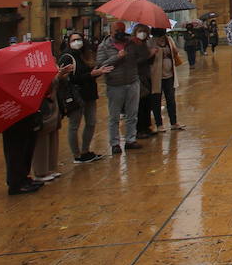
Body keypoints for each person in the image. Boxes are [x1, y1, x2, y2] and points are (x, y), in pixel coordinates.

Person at [97, 21, 152, 155]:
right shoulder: (104, 46)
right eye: (117, 31)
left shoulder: (131, 43)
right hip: (115, 85)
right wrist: (117, 57)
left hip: (133, 81)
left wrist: (141, 44)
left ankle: (130, 140)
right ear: (111, 32)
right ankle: (115, 143)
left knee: (132, 114)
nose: (120, 33)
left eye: (122, 30)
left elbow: (145, 56)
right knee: (114, 116)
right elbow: (100, 66)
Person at [64, 31, 107, 163]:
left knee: (91, 122)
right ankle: (77, 155)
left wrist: (97, 73)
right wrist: (91, 75)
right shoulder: (67, 57)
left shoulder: (85, 56)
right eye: (74, 40)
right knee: (74, 125)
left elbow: (90, 74)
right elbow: (71, 79)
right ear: (69, 42)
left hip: (89, 94)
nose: (77, 42)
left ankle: (85, 151)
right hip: (76, 96)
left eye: (79, 39)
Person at [31, 69, 66, 184]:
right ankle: (41, 171)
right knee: (42, 142)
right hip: (43, 109)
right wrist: (57, 77)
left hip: (52, 109)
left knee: (52, 139)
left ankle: (50, 168)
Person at [150, 27, 184, 131]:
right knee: (156, 100)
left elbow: (176, 52)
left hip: (170, 75)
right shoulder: (151, 42)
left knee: (171, 99)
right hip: (156, 76)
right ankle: (159, 124)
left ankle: (173, 122)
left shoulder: (169, 40)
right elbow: (147, 57)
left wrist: (173, 50)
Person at [135, 25, 164, 138]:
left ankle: (147, 127)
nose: (142, 34)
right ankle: (140, 130)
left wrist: (153, 54)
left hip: (147, 76)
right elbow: (134, 61)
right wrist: (149, 55)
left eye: (144, 32)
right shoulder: (133, 45)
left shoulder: (144, 44)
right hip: (138, 77)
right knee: (140, 105)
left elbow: (149, 62)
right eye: (140, 31)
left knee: (147, 103)